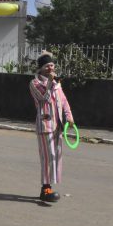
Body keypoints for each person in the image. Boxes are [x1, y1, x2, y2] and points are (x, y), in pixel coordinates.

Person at [29, 52, 74, 203]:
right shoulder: (34, 83)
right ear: (41, 68)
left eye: (52, 65)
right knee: (47, 157)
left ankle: (49, 187)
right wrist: (50, 82)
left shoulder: (56, 83)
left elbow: (64, 100)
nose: (50, 68)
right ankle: (46, 189)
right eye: (47, 66)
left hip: (57, 126)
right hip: (45, 126)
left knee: (56, 157)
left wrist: (69, 116)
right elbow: (44, 98)